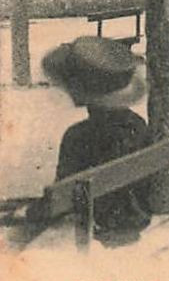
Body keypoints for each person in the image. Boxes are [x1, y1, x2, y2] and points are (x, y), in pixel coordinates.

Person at [37, 38, 155, 246]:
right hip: (136, 218)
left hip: (99, 226)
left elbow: (61, 200)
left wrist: (29, 212)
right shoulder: (137, 124)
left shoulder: (78, 136)